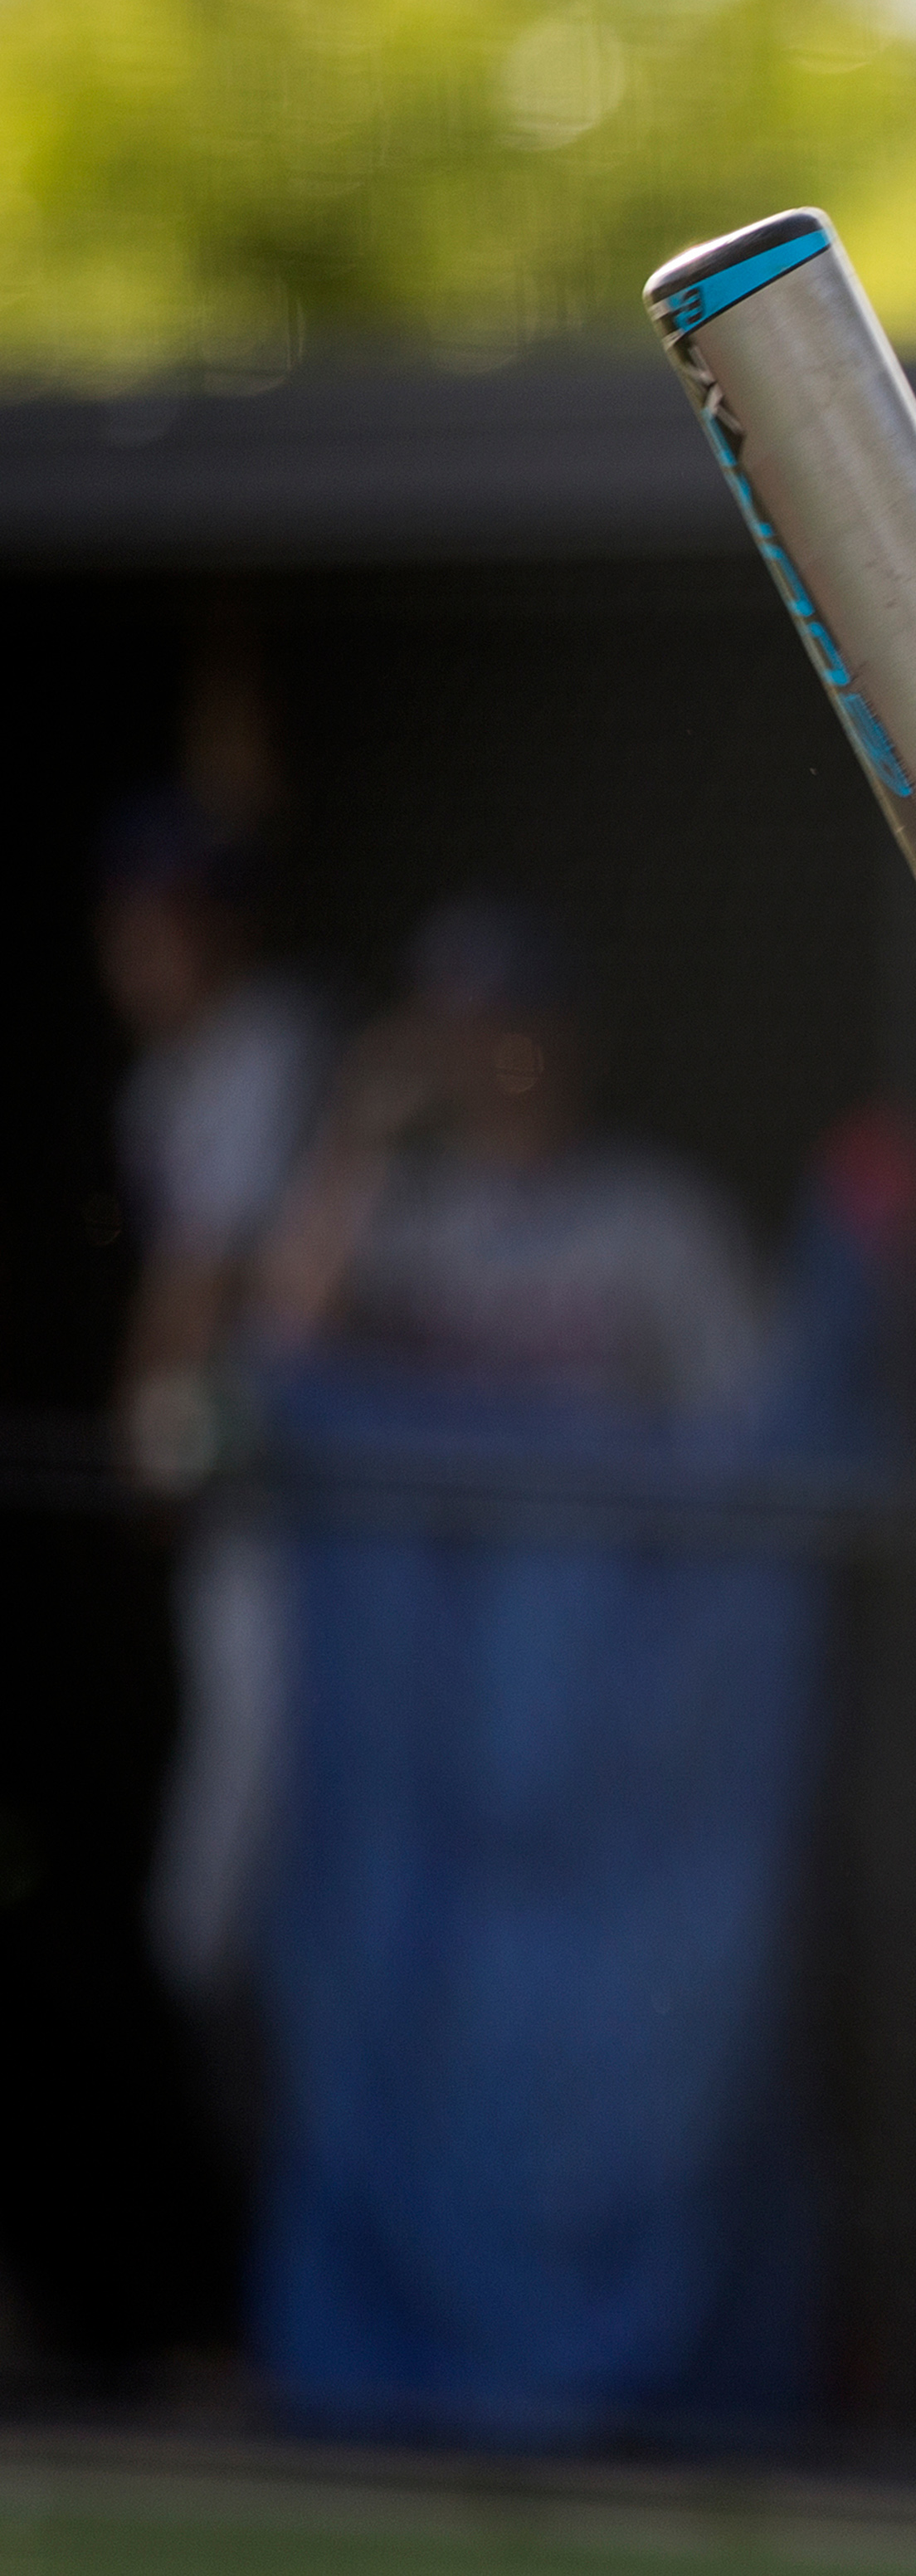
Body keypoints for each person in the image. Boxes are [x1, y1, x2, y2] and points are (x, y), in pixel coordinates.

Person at [246, 898, 819, 2444]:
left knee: (629, 2079)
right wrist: (362, 1128)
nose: (492, 1060)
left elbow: (759, 1476)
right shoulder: (403, 1222)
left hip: (616, 1781)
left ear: (568, 1039)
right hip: (418, 1779)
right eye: (460, 1028)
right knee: (330, 2014)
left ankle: (625, 2385)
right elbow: (279, 1350)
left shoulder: (654, 1226)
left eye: (514, 1024)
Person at [95, 793, 329, 2031]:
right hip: (236, 1492)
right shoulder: (160, 1082)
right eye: (133, 920)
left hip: (308, 1487)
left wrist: (144, 1429)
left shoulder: (270, 1039)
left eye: (177, 918)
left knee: (241, 1876)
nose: (145, 948)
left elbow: (200, 1276)